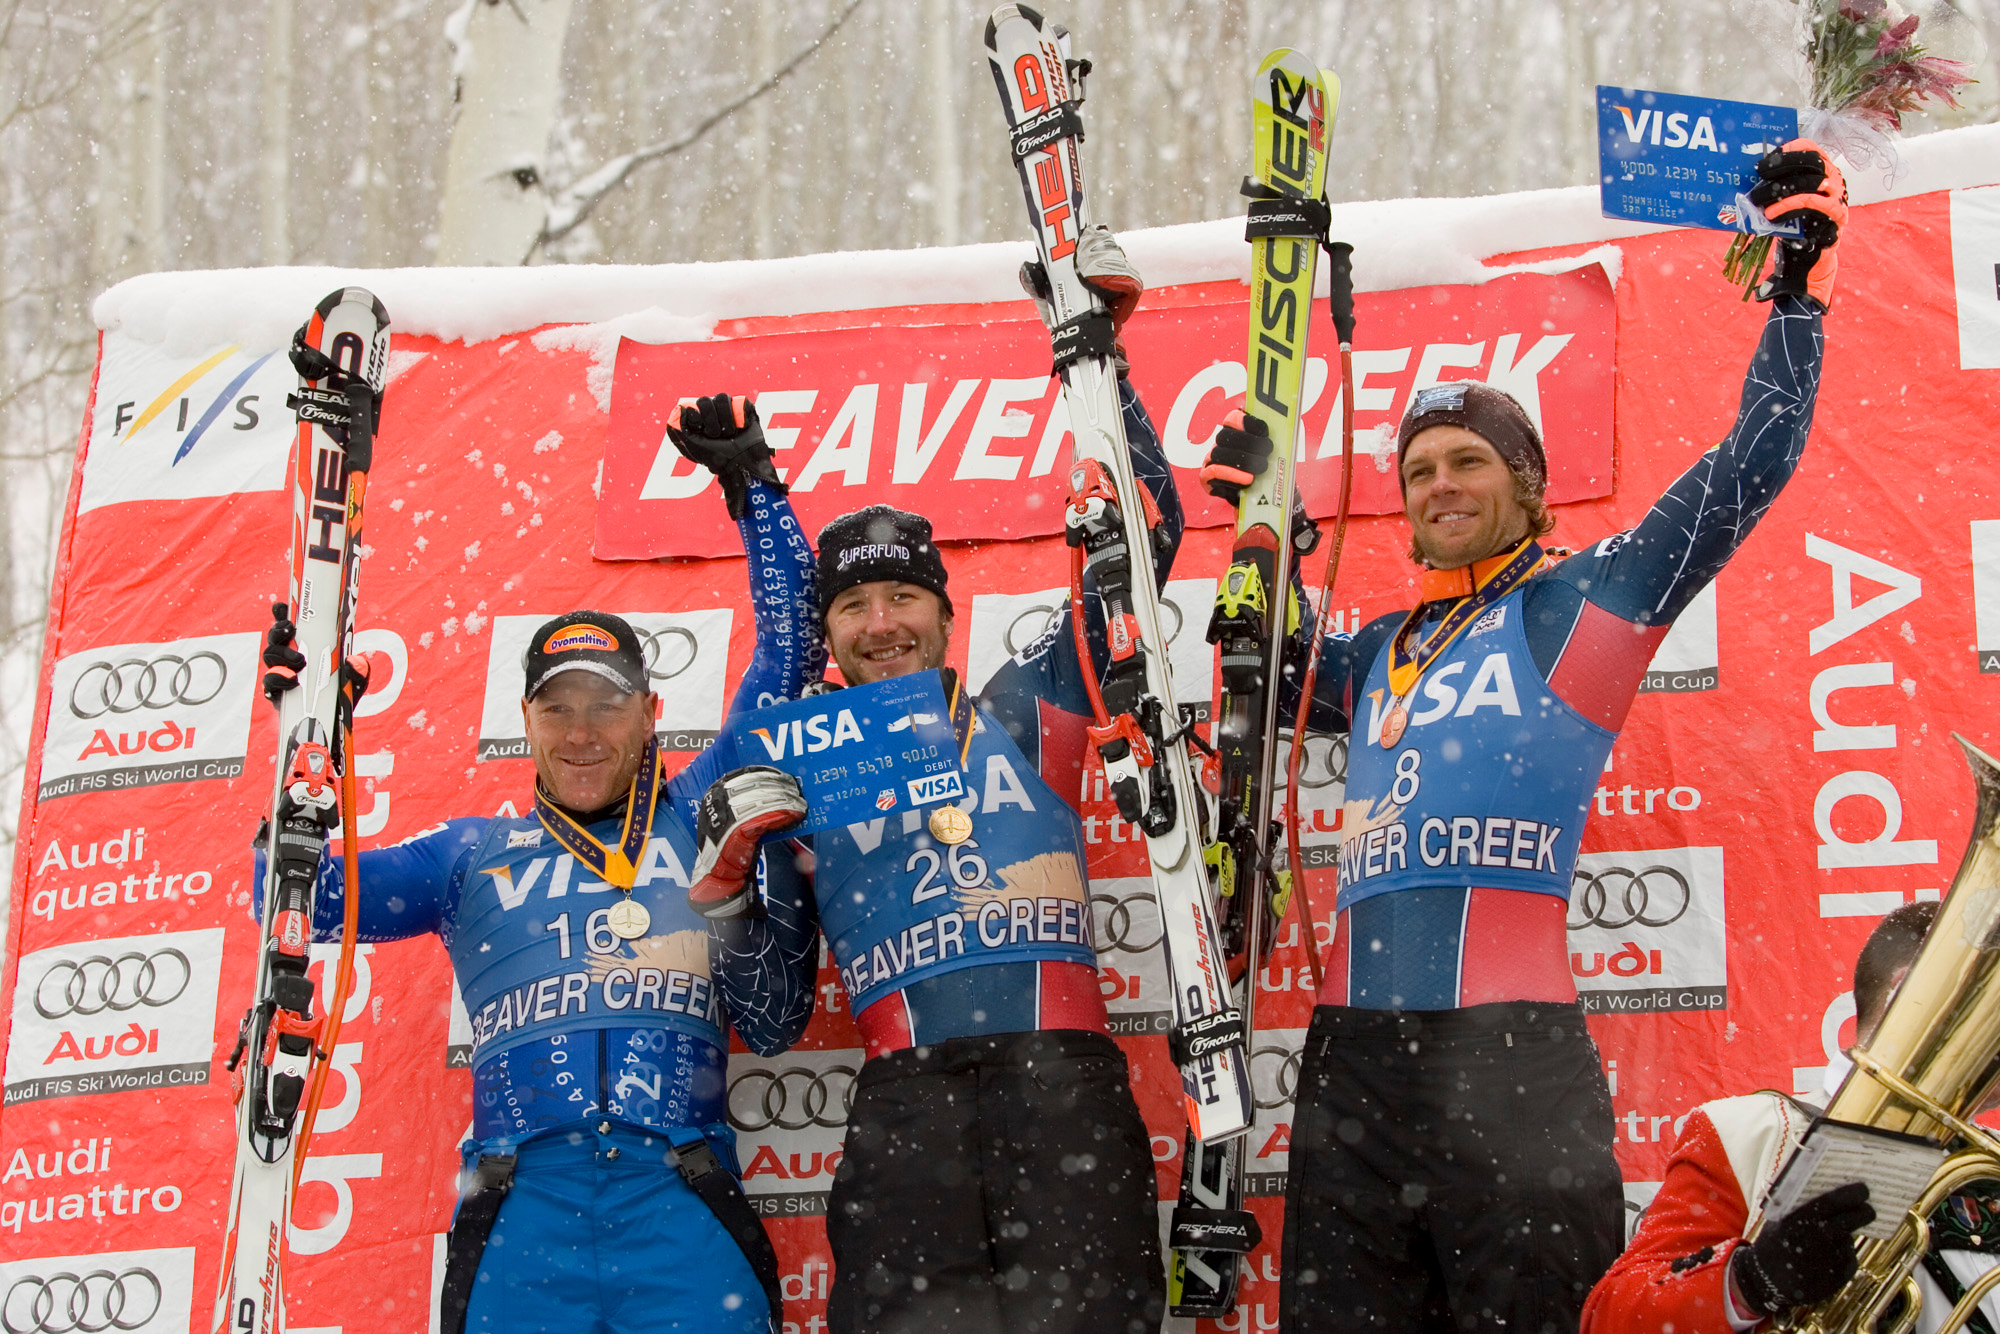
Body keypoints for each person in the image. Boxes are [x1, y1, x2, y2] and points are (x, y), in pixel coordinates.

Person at [1197, 141, 1848, 1333]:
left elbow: (1746, 469)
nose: (1438, 485)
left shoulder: (1580, 604)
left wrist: (1793, 291)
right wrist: (1260, 523)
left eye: (1468, 462)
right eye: (1418, 469)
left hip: (1509, 1057)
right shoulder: (1379, 647)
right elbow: (1268, 659)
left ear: (1527, 483)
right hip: (1350, 1070)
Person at [687, 225, 1169, 1334]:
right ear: (830, 635)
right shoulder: (797, 770)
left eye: (901, 596)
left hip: (1061, 1090)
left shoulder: (1028, 698)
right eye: (853, 605)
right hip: (903, 1109)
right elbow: (765, 1016)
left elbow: (1144, 547)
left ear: (947, 616)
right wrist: (726, 891)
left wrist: (1102, 365)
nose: (880, 620)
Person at [256, 401, 823, 1334]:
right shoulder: (470, 858)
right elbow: (295, 901)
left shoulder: (703, 811)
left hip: (677, 1194)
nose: (582, 732)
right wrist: (301, 736)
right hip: (524, 1216)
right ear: (526, 721)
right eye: (557, 709)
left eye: (605, 705)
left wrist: (753, 488)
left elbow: (792, 649)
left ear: (649, 712)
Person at [1582, 900, 2000, 1333]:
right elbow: (1612, 1319)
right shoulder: (1746, 1132)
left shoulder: (1989, 1157)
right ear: (1909, 997)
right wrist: (1752, 1280)